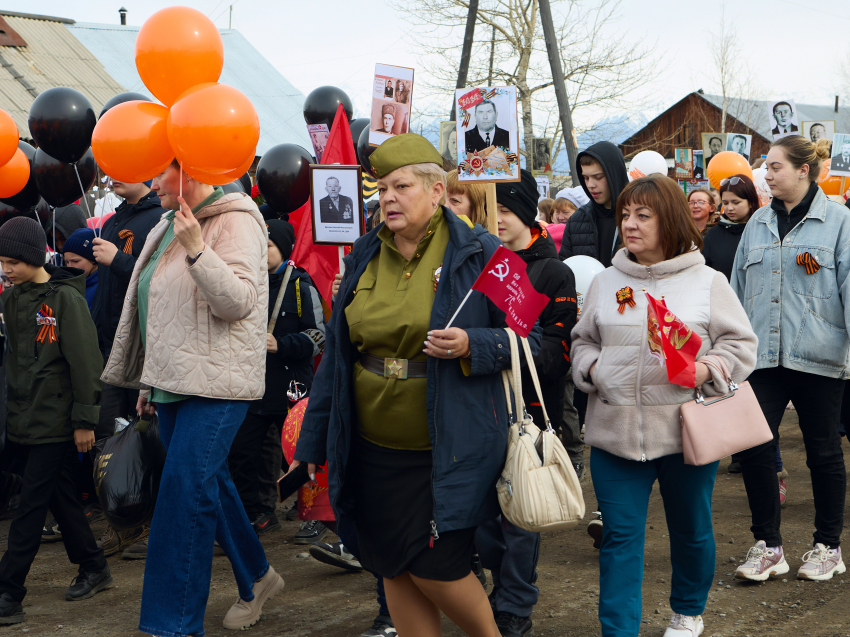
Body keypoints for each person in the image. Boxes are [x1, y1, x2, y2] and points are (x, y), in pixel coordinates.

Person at [291, 133, 540, 637]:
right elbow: (337, 357)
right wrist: (313, 440)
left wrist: (474, 344)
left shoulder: (484, 252)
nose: (388, 198)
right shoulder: (363, 253)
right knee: (391, 565)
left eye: (401, 186)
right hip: (371, 450)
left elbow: (534, 343)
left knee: (438, 568)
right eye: (382, 188)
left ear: (436, 190)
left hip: (448, 450)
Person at [102, 160, 284, 635]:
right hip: (171, 383)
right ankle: (258, 575)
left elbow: (239, 303)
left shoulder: (237, 219)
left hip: (218, 384)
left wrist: (198, 249)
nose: (152, 183)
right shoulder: (165, 224)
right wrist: (148, 381)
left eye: (161, 172)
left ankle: (173, 626)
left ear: (191, 172)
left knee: (183, 493)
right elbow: (160, 311)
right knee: (208, 484)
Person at [571, 174, 758, 637]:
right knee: (619, 539)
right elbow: (582, 341)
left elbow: (741, 345)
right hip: (614, 436)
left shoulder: (708, 281)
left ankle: (688, 611)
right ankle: (619, 631)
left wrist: (706, 369)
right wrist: (593, 368)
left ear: (670, 220)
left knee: (691, 530)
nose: (630, 224)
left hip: (685, 435)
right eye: (625, 215)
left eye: (643, 215)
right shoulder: (606, 282)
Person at [731, 136, 850, 582]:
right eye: (766, 167)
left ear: (804, 169)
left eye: (775, 166)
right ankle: (769, 546)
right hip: (762, 358)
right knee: (755, 447)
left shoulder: (839, 222)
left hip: (819, 356)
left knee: (823, 451)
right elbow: (737, 291)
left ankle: (828, 546)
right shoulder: (758, 223)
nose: (767, 174)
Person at [476, 170, 577, 637]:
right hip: (476, 406)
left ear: (524, 211)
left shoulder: (554, 272)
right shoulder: (474, 261)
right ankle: (495, 588)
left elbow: (557, 354)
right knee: (481, 515)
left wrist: (498, 344)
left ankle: (515, 603)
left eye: (504, 209)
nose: (496, 219)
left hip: (530, 410)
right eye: (488, 209)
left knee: (521, 513)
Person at [0, 217, 111, 625]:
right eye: (2, 262)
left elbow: (86, 362)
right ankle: (94, 566)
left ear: (33, 256)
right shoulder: (11, 299)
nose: (6, 270)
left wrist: (85, 420)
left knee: (30, 506)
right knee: (59, 496)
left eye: (13, 262)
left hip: (57, 420)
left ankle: (8, 591)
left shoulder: (65, 299)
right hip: (25, 419)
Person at [229, 219, 325, 535]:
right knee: (245, 453)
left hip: (291, 388)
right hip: (253, 386)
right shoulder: (246, 282)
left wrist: (281, 344)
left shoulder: (301, 285)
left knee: (302, 452)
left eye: (267, 245)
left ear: (282, 249)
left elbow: (319, 337)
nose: (260, 251)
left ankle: (315, 516)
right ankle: (255, 513)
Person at [86, 179, 166, 557]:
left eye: (126, 167)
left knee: (147, 439)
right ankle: (120, 522)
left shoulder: (159, 219)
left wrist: (117, 259)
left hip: (142, 348)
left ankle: (152, 524)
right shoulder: (112, 220)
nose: (115, 174)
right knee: (110, 440)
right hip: (109, 349)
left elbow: (159, 280)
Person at [557, 141, 629, 266]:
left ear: (614, 175)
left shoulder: (637, 218)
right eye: (586, 178)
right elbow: (565, 270)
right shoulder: (577, 220)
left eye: (598, 177)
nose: (590, 185)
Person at [61, 228, 98, 310]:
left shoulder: (102, 289)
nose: (70, 266)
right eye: (67, 262)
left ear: (94, 260)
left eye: (75, 261)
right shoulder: (67, 286)